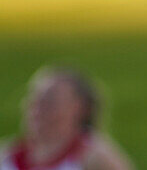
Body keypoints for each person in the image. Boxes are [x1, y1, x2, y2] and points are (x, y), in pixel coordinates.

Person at [2, 67, 133, 170]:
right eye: (35, 100)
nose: (38, 109)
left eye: (50, 100)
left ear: (80, 108)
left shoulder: (95, 157)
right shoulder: (7, 155)